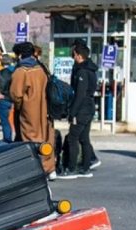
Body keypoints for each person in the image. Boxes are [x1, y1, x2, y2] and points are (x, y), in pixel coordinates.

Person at [10, 42, 55, 175]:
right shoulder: (42, 69)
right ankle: (49, 168)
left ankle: (34, 170)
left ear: (19, 55)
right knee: (46, 139)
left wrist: (19, 107)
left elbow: (16, 95)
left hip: (29, 112)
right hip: (46, 110)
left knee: (30, 140)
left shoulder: (21, 71)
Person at [58, 43, 98, 180]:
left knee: (73, 138)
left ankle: (71, 168)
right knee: (84, 138)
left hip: (82, 109)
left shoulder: (82, 72)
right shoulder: (91, 69)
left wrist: (72, 113)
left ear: (79, 56)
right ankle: (85, 167)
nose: (73, 57)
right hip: (89, 107)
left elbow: (80, 94)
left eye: (74, 54)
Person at [0, 54, 16, 143]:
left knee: (5, 122)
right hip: (15, 100)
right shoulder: (17, 71)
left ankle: (7, 140)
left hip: (4, 99)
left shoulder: (0, 73)